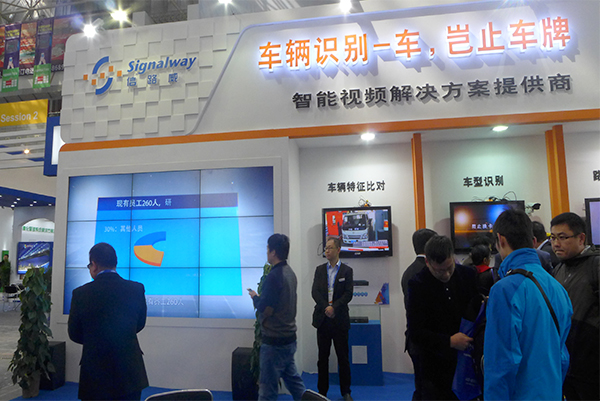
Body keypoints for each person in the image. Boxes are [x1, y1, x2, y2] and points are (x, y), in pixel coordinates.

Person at [484, 209, 572, 400]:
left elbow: (501, 363)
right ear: (533, 241)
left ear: (500, 239)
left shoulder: (504, 289)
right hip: (552, 393)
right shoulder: (558, 287)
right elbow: (562, 356)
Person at [68, 243, 149, 401]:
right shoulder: (136, 289)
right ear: (115, 263)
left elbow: (74, 333)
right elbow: (139, 324)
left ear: (94, 264)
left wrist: (95, 340)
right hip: (129, 370)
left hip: (95, 370)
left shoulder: (80, 293)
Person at [406, 235, 480, 400]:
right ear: (427, 262)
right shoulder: (418, 284)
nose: (446, 274)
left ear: (453, 257)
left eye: (449, 268)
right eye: (439, 271)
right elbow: (416, 332)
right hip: (434, 368)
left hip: (467, 363)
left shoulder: (468, 275)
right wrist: (449, 341)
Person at [248, 234, 306, 401]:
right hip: (288, 339)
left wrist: (255, 298)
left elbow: (266, 309)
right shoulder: (290, 273)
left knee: (267, 392)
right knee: (295, 384)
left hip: (274, 343)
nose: (266, 252)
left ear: (273, 252)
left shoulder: (274, 276)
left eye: (268, 249)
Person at [550, 212, 599, 401]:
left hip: (592, 367)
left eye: (563, 237)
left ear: (581, 238)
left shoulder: (595, 265)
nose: (556, 243)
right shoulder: (559, 269)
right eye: (553, 237)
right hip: (567, 365)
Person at [311, 236, 353, 401]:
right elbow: (315, 292)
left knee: (343, 358)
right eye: (326, 248)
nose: (327, 251)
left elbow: (348, 294)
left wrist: (334, 307)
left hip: (339, 319)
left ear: (338, 250)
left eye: (330, 248)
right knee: (322, 358)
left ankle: (346, 392)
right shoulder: (319, 270)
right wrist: (326, 308)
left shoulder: (347, 271)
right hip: (323, 319)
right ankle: (322, 392)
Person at [401, 228, 436, 400]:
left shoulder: (408, 271)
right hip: (428, 340)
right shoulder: (428, 271)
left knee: (421, 384)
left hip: (414, 339)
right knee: (428, 387)